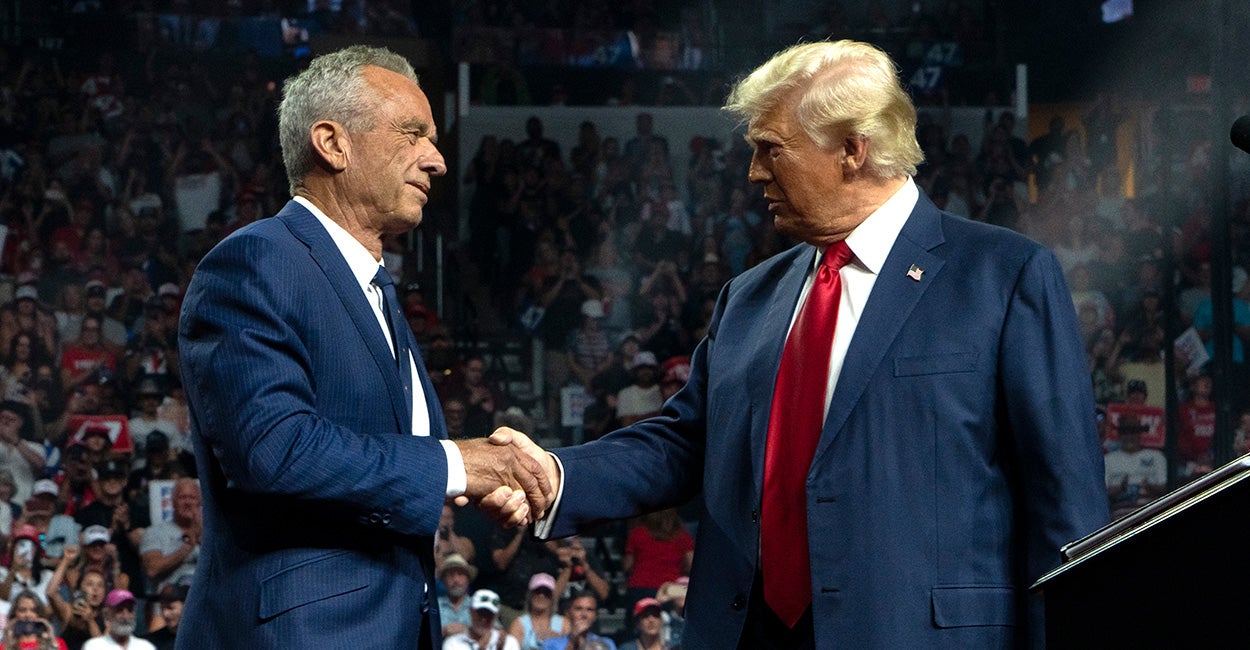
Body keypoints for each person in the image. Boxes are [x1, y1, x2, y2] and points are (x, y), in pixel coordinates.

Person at [496, 40, 1108, 648]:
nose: (753, 171)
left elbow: (1065, 508)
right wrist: (555, 475)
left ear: (852, 150)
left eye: (772, 149)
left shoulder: (1003, 276)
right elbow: (686, 443)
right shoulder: (748, 297)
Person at [175, 45, 549, 649]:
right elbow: (275, 450)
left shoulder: (374, 289)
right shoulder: (257, 261)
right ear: (333, 143)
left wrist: (471, 483)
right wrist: (458, 464)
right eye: (412, 134)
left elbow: (383, 471)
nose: (437, 160)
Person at [442, 589, 519, 650]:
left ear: (496, 616)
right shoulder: (453, 643)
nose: (483, 619)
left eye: (489, 615)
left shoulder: (509, 643)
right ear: (471, 612)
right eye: (480, 613)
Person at [81, 589, 153, 650]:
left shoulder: (146, 647)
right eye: (119, 610)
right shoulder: (93, 646)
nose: (125, 616)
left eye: (130, 610)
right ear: (107, 615)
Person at [507, 573, 564, 650]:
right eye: (537, 592)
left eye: (546, 593)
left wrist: (559, 639)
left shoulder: (564, 624)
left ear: (552, 597)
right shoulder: (519, 624)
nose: (541, 596)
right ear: (530, 595)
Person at [541, 591, 614, 650]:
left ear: (595, 615)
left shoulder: (606, 643)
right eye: (578, 609)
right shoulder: (551, 644)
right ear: (568, 613)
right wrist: (573, 641)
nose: (584, 614)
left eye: (589, 610)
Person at [1, 589, 67, 650]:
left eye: (33, 610)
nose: (28, 615)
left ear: (39, 613)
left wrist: (51, 637)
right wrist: (8, 640)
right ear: (14, 613)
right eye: (22, 610)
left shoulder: (58, 642)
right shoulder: (5, 645)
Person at [437, 553, 477, 638]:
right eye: (451, 575)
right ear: (443, 580)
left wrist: (468, 632)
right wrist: (442, 631)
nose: (456, 580)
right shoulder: (433, 606)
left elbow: (497, 634)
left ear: (468, 579)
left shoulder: (478, 606)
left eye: (460, 574)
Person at [140, 584, 187, 650]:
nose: (165, 614)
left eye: (170, 608)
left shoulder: (197, 637)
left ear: (185, 607)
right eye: (162, 608)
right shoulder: (151, 642)